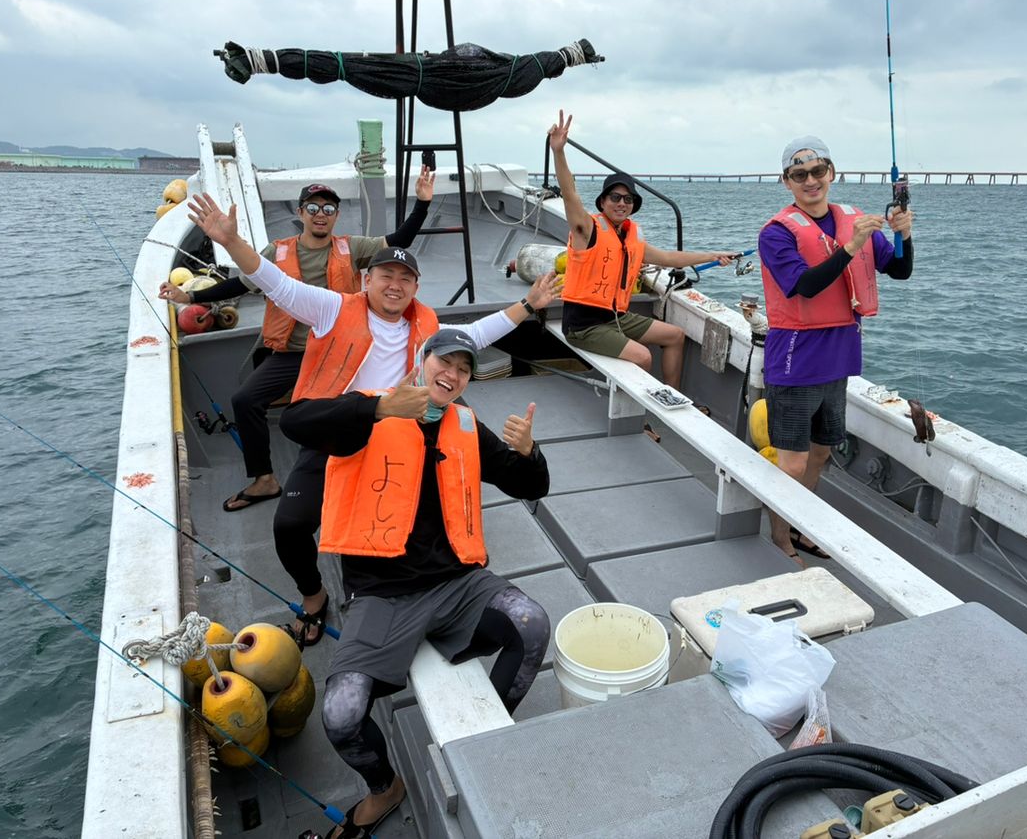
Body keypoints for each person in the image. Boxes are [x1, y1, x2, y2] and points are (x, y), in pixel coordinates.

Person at [186, 192, 558, 645]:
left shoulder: (428, 328)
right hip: (340, 428)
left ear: (416, 288)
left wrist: (530, 303)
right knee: (289, 526)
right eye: (387, 275)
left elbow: (477, 334)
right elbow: (277, 284)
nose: (395, 285)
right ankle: (315, 596)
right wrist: (232, 243)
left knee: (416, 517)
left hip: (403, 438)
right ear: (368, 279)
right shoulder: (331, 308)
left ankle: (414, 592)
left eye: (406, 278)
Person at [279, 328, 550, 839]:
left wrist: (531, 453)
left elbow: (529, 486)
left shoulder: (466, 426)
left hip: (457, 584)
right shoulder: (367, 411)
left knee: (532, 625)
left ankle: (486, 738)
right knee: (341, 714)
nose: (452, 374)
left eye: (464, 368)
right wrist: (377, 412)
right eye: (443, 362)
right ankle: (385, 787)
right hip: (382, 592)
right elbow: (295, 421)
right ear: (421, 363)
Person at [159, 168, 436, 512]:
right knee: (245, 400)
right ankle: (264, 479)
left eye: (329, 209)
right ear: (300, 213)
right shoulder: (276, 252)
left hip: (341, 354)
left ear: (336, 216)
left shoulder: (354, 248)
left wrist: (423, 203)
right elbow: (244, 284)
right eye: (314, 207)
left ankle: (361, 467)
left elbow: (401, 240)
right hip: (292, 352)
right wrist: (190, 299)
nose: (321, 215)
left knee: (354, 405)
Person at [757, 136, 915, 563]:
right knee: (792, 462)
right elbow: (804, 285)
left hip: (841, 355)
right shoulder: (776, 233)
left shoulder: (854, 219)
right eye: (799, 174)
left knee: (821, 453)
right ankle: (779, 537)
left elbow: (898, 270)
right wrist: (849, 248)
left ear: (832, 173)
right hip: (796, 358)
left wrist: (904, 236)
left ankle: (798, 523)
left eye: (818, 171)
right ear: (787, 182)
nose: (811, 181)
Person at [548, 109, 737, 387]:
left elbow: (670, 258)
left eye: (628, 199)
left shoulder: (630, 238)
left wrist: (712, 255)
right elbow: (569, 192)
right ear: (602, 202)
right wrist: (558, 152)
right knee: (642, 356)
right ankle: (645, 420)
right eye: (615, 197)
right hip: (584, 326)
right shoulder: (586, 229)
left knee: (675, 335)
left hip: (615, 318)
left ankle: (672, 397)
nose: (622, 203)